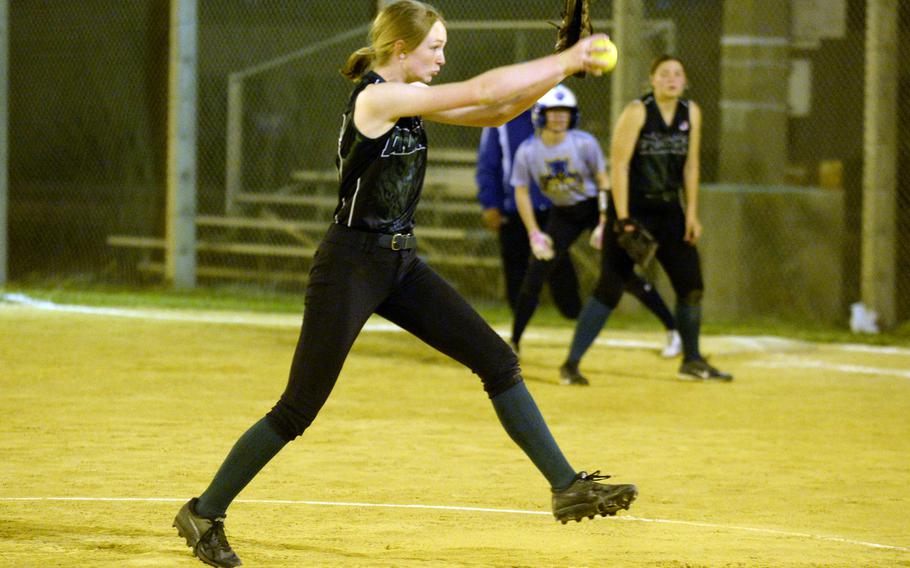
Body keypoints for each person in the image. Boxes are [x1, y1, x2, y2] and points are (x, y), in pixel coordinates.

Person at [172, 3, 636, 566]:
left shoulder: (409, 103)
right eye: (434, 47)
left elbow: (496, 112)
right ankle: (205, 511)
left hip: (400, 264)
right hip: (349, 264)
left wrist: (563, 71)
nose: (442, 58)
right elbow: (487, 88)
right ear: (400, 49)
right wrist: (567, 55)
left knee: (497, 361)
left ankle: (567, 487)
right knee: (297, 409)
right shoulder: (378, 98)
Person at [559, 55, 733, 385]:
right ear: (652, 80)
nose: (671, 79)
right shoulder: (638, 111)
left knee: (691, 286)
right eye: (664, 74)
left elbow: (691, 166)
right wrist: (622, 219)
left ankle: (692, 361)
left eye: (677, 74)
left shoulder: (690, 113)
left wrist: (692, 213)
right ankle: (571, 364)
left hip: (669, 212)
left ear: (684, 82)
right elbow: (620, 166)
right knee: (610, 287)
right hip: (633, 210)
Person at [508, 84, 681, 373]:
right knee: (536, 272)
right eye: (554, 112)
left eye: (565, 113)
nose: (560, 118)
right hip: (562, 214)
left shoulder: (583, 143)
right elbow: (521, 191)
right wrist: (534, 233)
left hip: (594, 208)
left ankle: (672, 330)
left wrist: (603, 221)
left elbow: (603, 180)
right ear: (541, 115)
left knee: (624, 275)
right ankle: (514, 341)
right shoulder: (528, 150)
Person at [475, 110, 582, 321]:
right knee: (516, 265)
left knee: (560, 262)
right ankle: (521, 318)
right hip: (513, 207)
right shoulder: (501, 118)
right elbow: (488, 163)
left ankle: (574, 315)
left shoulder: (554, 113)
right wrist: (490, 204)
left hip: (553, 206)